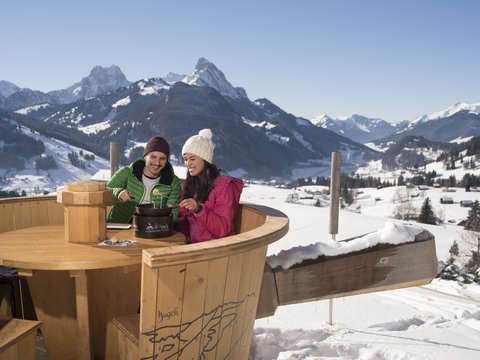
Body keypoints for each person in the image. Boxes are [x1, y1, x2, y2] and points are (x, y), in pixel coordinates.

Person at [178, 129, 244, 243]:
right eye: (185, 159)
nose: (188, 163)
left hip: (216, 250)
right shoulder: (191, 184)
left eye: (192, 158)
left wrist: (199, 209)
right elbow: (183, 218)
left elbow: (222, 228)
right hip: (193, 246)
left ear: (205, 160)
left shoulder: (224, 186)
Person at [107, 136, 181, 223]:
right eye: (153, 157)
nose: (157, 163)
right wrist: (118, 192)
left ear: (167, 160)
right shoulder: (128, 172)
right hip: (120, 226)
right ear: (145, 156)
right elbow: (103, 194)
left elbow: (174, 215)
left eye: (162, 159)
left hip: (153, 230)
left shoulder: (173, 182)